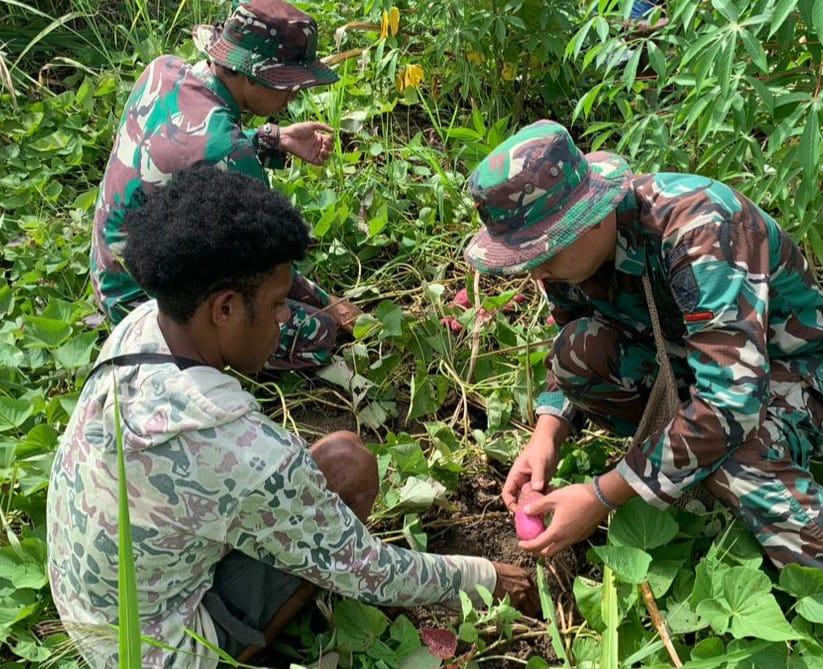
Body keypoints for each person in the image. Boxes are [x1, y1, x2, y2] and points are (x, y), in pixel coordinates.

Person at [50, 168, 538, 669]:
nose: (285, 318)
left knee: (343, 461)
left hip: (93, 607)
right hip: (157, 653)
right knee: (344, 489)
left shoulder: (139, 329)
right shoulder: (244, 452)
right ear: (224, 309)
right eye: (277, 303)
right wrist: (485, 577)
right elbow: (367, 570)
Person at [464, 119, 823, 610]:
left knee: (736, 456)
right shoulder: (569, 259)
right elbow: (575, 326)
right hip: (690, 361)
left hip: (794, 369)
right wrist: (547, 434)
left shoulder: (702, 229)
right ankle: (682, 458)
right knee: (576, 352)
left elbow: (730, 405)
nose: (536, 271)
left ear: (592, 216)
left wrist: (603, 495)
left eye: (543, 252)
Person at [90, 0, 360, 371]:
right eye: (288, 83)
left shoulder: (164, 69)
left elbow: (184, 146)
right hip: (143, 305)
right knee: (317, 331)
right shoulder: (228, 154)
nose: (294, 95)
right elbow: (267, 265)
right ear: (250, 75)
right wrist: (333, 306)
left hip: (108, 272)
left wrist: (273, 138)